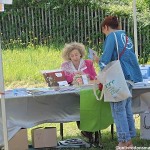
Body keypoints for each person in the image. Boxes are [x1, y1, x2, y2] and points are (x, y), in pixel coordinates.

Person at [94, 16, 142, 149]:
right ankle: (129, 139)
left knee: (118, 110)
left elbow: (106, 59)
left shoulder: (111, 37)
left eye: (103, 31)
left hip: (119, 77)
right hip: (130, 76)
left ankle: (123, 141)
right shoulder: (126, 37)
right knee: (126, 108)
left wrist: (98, 60)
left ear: (106, 27)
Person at [61, 42, 97, 140]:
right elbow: (64, 80)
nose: (75, 57)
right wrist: (74, 77)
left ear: (80, 54)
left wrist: (84, 75)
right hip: (73, 92)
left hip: (88, 91)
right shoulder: (65, 65)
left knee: (88, 106)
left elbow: (94, 76)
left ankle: (88, 131)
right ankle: (85, 130)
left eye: (76, 54)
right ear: (68, 56)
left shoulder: (88, 63)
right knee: (77, 106)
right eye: (72, 55)